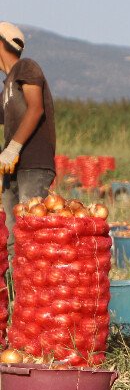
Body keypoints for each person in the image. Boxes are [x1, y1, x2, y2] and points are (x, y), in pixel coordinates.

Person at [0, 22, 56, 243]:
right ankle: (16, 278)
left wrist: (13, 148)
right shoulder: (7, 87)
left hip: (34, 164)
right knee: (12, 237)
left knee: (29, 231)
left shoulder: (26, 67)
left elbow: (36, 108)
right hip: (11, 168)